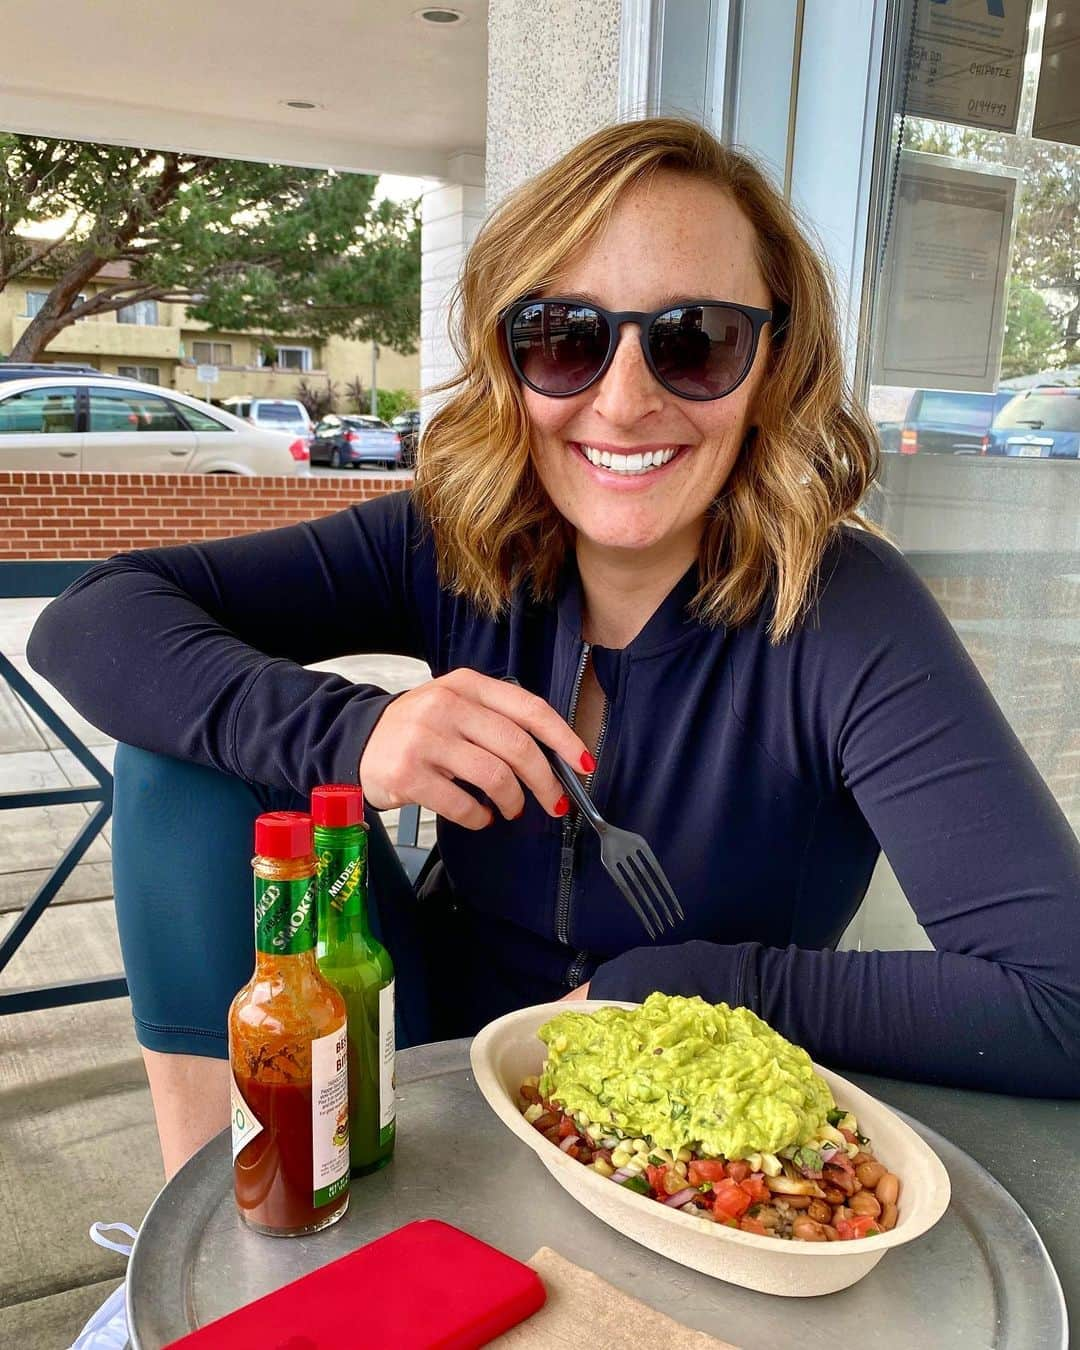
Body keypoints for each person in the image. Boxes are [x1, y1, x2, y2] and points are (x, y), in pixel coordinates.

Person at [28, 117, 1080, 1179]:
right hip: (427, 1042)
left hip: (676, 1108)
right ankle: (225, 1239)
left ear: (772, 364)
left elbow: (1064, 996)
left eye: (697, 339)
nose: (624, 401)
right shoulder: (454, 539)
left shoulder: (842, 609)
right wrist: (357, 731)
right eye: (566, 336)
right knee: (178, 762)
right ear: (509, 359)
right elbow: (96, 618)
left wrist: (698, 984)